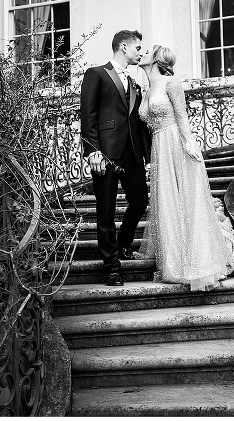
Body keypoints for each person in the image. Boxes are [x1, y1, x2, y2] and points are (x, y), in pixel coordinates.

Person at [137, 45, 234, 291]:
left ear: (154, 59)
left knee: (186, 202)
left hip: (175, 143)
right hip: (158, 147)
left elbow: (182, 117)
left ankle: (198, 263)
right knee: (167, 204)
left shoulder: (171, 83)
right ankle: (174, 265)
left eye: (145, 51)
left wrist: (189, 145)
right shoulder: (145, 89)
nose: (141, 54)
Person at [80, 29, 152, 287]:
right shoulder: (96, 74)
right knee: (105, 211)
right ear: (124, 47)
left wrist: (148, 156)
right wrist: (93, 152)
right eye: (137, 48)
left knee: (140, 200)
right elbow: (88, 118)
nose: (140, 53)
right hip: (106, 156)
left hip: (132, 154)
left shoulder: (134, 83)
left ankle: (123, 244)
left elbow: (139, 123)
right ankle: (111, 267)